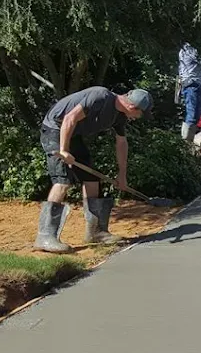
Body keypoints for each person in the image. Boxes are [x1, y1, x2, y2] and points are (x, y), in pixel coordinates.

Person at [34, 86, 153, 254]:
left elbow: (121, 143)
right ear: (133, 107)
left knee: (92, 179)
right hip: (55, 129)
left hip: (72, 134)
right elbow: (69, 118)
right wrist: (64, 150)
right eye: (140, 114)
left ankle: (96, 232)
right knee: (63, 181)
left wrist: (122, 174)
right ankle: (45, 236)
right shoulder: (101, 96)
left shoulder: (119, 116)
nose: (138, 118)